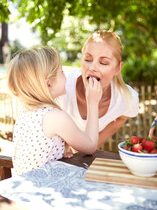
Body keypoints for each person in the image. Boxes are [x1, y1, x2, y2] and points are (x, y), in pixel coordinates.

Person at [7, 47, 102, 175]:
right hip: (41, 190)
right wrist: (93, 102)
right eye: (61, 71)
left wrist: (58, 151)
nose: (65, 75)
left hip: (24, 187)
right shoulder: (54, 117)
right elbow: (90, 146)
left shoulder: (27, 110)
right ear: (49, 83)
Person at [57, 30, 139, 149]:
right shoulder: (62, 87)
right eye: (88, 59)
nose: (92, 67)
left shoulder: (127, 98)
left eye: (103, 63)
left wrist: (92, 144)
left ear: (117, 69)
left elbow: (123, 117)